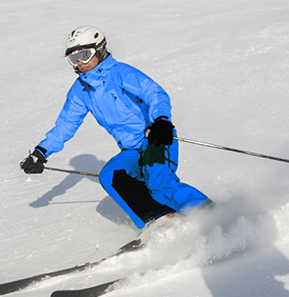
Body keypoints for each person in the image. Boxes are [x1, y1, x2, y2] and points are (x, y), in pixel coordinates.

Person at [20, 26, 211, 230]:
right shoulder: (81, 90)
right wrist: (40, 152)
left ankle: (212, 215)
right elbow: (65, 124)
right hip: (131, 149)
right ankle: (161, 220)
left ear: (100, 50)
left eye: (85, 55)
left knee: (158, 182)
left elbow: (155, 93)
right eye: (74, 59)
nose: (80, 63)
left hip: (154, 137)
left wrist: (161, 121)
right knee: (110, 175)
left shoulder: (120, 73)